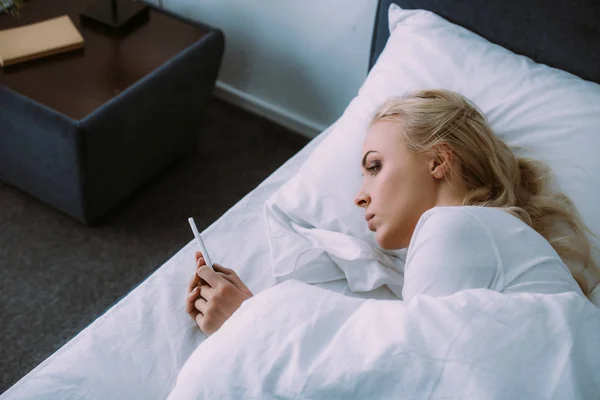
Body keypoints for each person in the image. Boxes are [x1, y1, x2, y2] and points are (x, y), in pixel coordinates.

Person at [185, 89, 600, 336]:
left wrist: (247, 324)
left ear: (438, 161)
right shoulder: (484, 237)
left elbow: (405, 374)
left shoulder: (456, 228)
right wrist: (251, 317)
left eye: (375, 166)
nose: (359, 197)